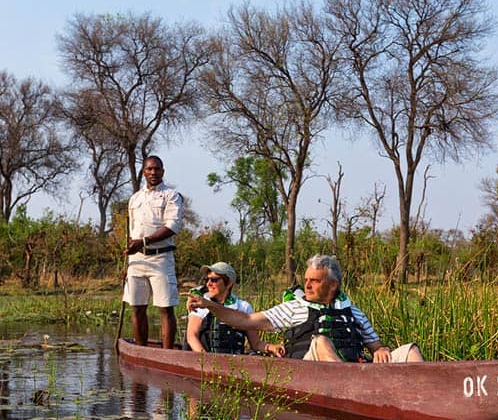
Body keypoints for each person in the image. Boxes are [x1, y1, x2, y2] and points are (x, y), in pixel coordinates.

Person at [185, 254, 424, 363]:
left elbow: (375, 345)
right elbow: (245, 320)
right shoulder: (294, 308)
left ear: (333, 285)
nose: (307, 284)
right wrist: (208, 305)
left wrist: (381, 349)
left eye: (315, 281)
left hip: (356, 372)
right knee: (320, 341)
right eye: (306, 279)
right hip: (314, 373)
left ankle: (418, 398)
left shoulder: (353, 311)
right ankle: (346, 387)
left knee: (410, 350)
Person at [124, 155, 183, 349]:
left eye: (157, 169)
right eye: (149, 169)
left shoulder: (171, 195)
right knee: (137, 307)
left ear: (162, 172)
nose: (153, 173)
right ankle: (141, 353)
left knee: (165, 308)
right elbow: (132, 231)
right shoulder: (135, 198)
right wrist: (130, 256)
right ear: (143, 172)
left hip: (161, 258)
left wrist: (143, 242)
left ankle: (167, 355)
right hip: (136, 261)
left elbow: (172, 227)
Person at [185, 261, 285, 357]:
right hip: (205, 361)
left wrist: (272, 348)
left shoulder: (243, 307)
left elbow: (256, 343)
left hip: (234, 364)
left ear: (229, 283)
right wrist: (206, 360)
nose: (208, 284)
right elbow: (191, 336)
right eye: (207, 280)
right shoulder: (201, 303)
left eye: (214, 280)